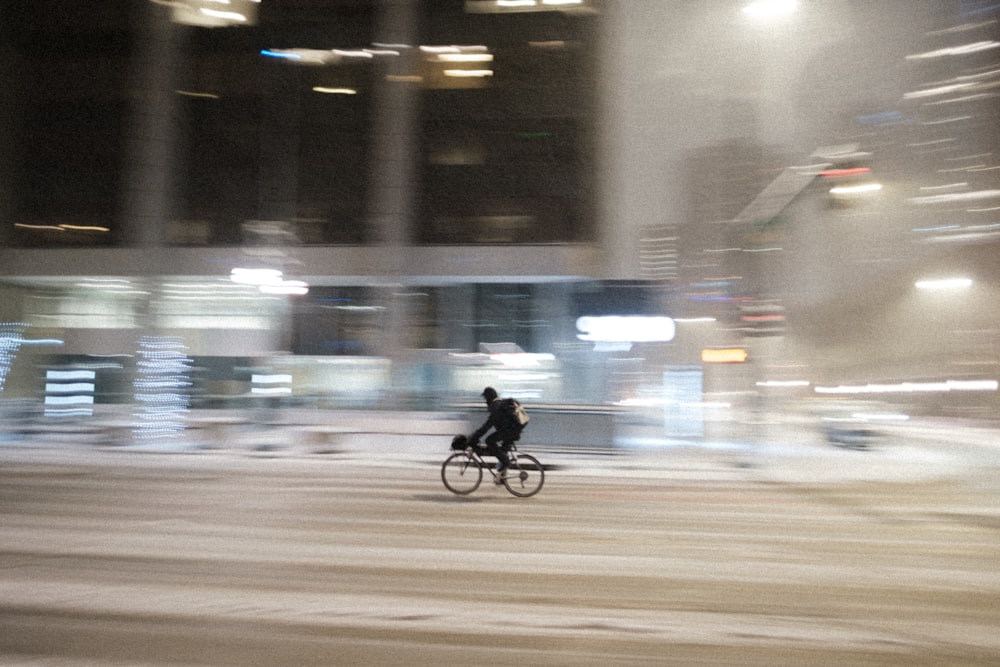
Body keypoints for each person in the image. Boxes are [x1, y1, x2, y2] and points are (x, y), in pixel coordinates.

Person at [468, 386, 522, 483]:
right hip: (511, 431)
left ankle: (505, 463)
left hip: (510, 432)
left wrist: (475, 436)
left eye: (485, 398)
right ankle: (502, 478)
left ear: (489, 397)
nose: (484, 400)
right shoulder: (497, 404)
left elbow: (487, 425)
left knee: (490, 440)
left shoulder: (496, 407)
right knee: (501, 450)